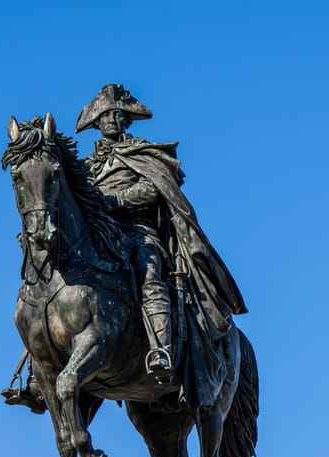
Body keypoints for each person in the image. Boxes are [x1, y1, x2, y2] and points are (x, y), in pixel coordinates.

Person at [75, 84, 247, 403]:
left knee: (150, 274)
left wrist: (115, 200)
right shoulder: (84, 167)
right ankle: (37, 367)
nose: (112, 119)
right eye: (105, 114)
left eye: (118, 114)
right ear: (96, 121)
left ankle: (160, 351)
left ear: (127, 119)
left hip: (137, 230)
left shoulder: (144, 152)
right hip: (98, 235)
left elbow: (153, 189)